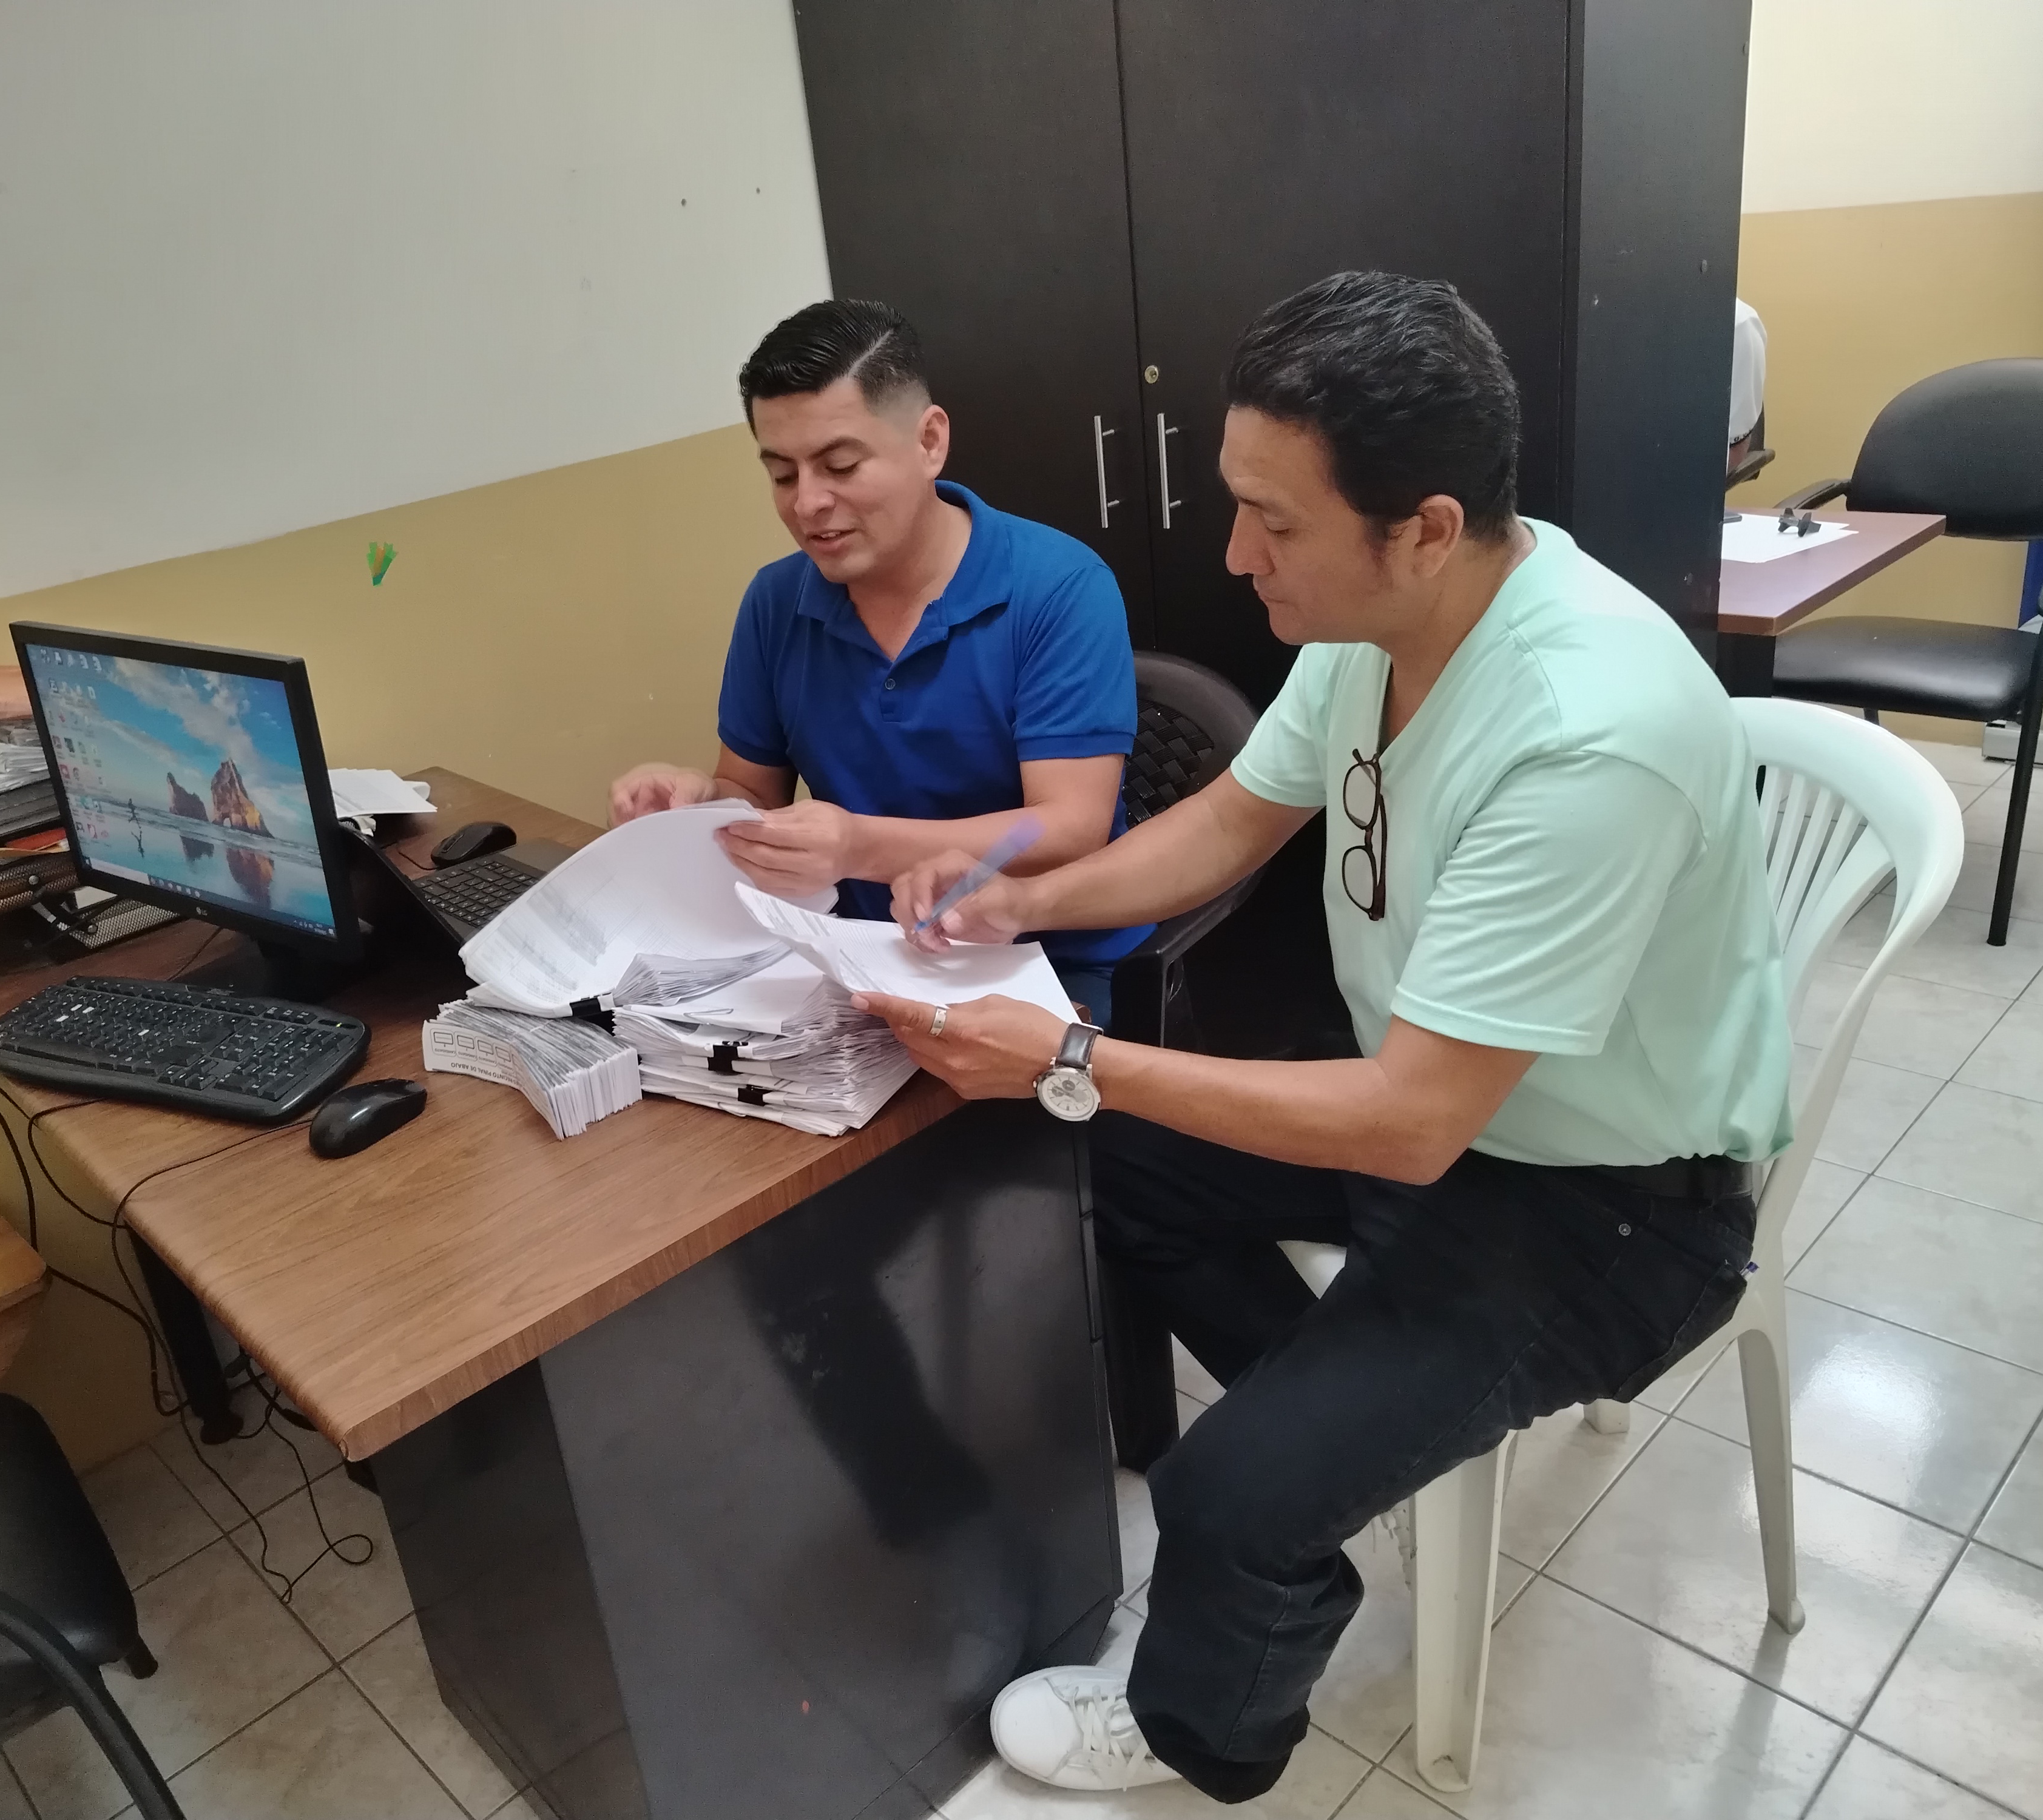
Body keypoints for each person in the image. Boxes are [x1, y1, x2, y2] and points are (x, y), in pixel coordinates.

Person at [851, 271, 1795, 1801]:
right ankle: (1338, 1451)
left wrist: (1072, 1057)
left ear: (1422, 525)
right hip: (1450, 1116)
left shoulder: (1585, 732)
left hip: (1610, 1204)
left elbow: (1412, 1123)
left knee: (1224, 1494)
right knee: (1103, 1172)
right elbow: (1233, 817)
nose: (1236, 555)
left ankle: (1206, 1723)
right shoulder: (1382, 622)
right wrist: (1020, 901)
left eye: (1270, 522)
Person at [607, 297, 1149, 1023]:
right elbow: (753, 792)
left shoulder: (1058, 587)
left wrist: (858, 847)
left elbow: (1065, 829)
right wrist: (700, 805)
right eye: (782, 475)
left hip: (1047, 954)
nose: (808, 504)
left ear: (929, 441)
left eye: (840, 465)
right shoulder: (776, 601)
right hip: (857, 948)